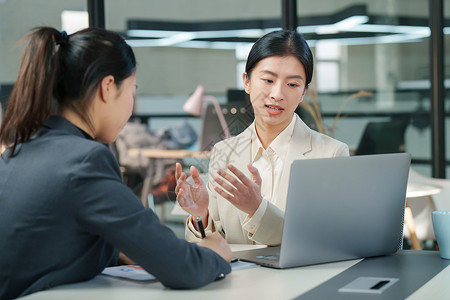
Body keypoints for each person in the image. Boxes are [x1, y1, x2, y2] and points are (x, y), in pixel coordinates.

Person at [0, 27, 231, 300]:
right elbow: (183, 268)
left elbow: (50, 244)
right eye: (132, 91)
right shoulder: (85, 160)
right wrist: (216, 254)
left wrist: (121, 252)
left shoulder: (16, 152)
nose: (130, 106)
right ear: (108, 87)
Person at [175, 30, 349, 246]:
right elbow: (211, 245)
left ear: (304, 92)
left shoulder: (331, 154)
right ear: (246, 82)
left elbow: (327, 239)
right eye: (268, 80)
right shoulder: (223, 151)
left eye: (293, 84)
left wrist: (257, 210)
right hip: (238, 280)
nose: (277, 94)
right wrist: (201, 214)